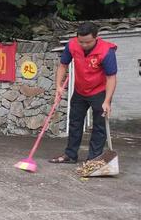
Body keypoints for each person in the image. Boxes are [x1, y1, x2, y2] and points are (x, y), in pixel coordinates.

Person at [50, 22, 117, 164]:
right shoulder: (72, 45)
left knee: (99, 126)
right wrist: (58, 86)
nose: (84, 45)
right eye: (81, 42)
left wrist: (107, 101)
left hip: (100, 92)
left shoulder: (106, 51)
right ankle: (70, 155)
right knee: (75, 122)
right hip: (80, 91)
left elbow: (111, 77)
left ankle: (93, 159)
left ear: (96, 37)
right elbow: (63, 65)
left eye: (88, 42)